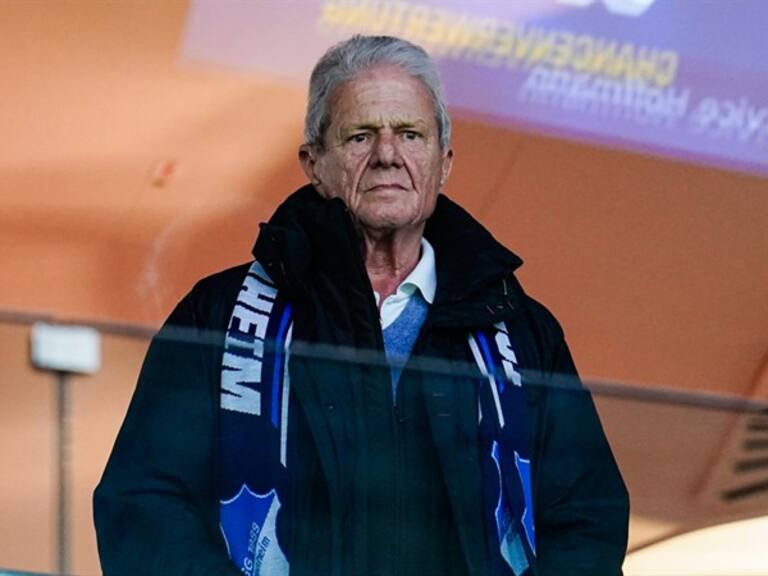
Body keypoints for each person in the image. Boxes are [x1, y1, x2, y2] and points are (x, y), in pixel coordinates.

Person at [94, 35, 628, 576]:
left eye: (410, 134)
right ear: (314, 163)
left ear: (443, 162)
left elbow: (587, 518)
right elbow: (146, 502)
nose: (387, 155)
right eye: (360, 135)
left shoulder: (522, 329)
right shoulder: (218, 312)